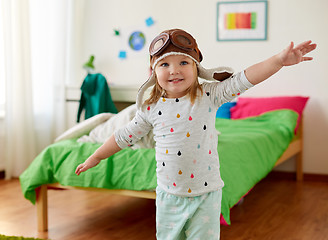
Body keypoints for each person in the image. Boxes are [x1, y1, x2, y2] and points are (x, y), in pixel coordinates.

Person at [75, 29, 316, 239]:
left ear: (196, 67)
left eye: (183, 62)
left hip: (207, 196)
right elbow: (123, 136)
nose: (174, 70)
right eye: (165, 64)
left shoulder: (209, 95)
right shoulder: (150, 108)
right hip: (169, 196)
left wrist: (278, 60)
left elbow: (246, 78)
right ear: (153, 70)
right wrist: (96, 156)